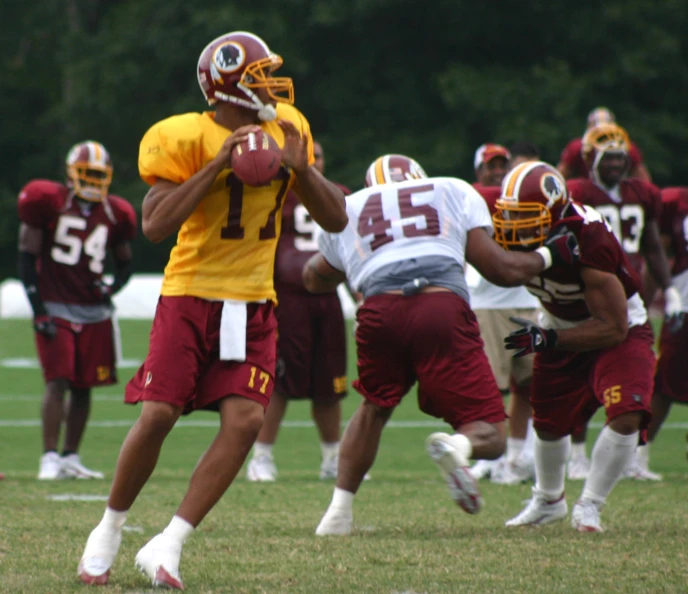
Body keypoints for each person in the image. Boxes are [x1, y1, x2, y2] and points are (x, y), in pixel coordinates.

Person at [77, 31, 347, 589]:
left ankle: (168, 543)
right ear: (228, 86)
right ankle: (108, 529)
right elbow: (154, 226)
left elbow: (337, 219)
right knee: (158, 414)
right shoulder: (185, 136)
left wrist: (304, 171)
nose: (271, 85)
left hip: (252, 300)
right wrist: (218, 163)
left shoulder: (288, 127)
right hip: (191, 292)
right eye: (257, 77)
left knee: (246, 420)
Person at [306, 154, 580, 536]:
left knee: (373, 408)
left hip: (379, 312)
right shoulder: (451, 189)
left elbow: (313, 277)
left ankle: (338, 513)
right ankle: (459, 449)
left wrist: (348, 266)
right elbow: (502, 270)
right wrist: (549, 255)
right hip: (439, 307)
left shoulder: (349, 208)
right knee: (490, 434)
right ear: (420, 176)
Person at [494, 161, 656, 532]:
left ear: (552, 212)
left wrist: (548, 339)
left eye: (525, 216)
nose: (513, 225)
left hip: (618, 330)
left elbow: (613, 328)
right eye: (510, 214)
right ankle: (548, 501)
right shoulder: (506, 228)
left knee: (627, 413)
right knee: (549, 424)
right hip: (557, 325)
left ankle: (591, 504)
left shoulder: (590, 240)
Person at [566, 123, 681, 480]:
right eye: (608, 158)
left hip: (629, 299)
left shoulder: (642, 193)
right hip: (589, 295)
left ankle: (631, 457)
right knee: (578, 376)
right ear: (590, 159)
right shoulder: (576, 191)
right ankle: (575, 456)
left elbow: (652, 247)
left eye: (620, 158)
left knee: (638, 376)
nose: (616, 165)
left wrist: (670, 289)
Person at [17, 141, 136, 481]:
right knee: (58, 381)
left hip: (94, 312)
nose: (94, 181)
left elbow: (125, 263)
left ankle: (70, 456)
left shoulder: (116, 212)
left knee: (84, 387)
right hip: (55, 305)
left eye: (100, 175)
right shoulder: (48, 201)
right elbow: (26, 257)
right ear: (71, 174)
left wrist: (111, 288)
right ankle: (49, 457)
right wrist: (38, 309)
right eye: (88, 174)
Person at [246, 140, 351, 481]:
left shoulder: (338, 193)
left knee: (330, 383)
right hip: (287, 298)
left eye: (317, 156)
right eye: (307, 156)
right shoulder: (277, 191)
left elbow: (349, 249)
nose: (313, 162)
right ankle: (261, 456)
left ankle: (332, 458)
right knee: (279, 379)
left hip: (327, 297)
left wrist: (361, 295)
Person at [467, 143, 539, 485]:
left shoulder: (521, 198)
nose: (497, 171)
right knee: (492, 388)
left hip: (526, 297)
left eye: (502, 165)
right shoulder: (472, 197)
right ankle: (489, 455)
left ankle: (515, 456)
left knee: (529, 383)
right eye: (490, 165)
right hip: (487, 302)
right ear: (479, 169)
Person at [640, 187, 688, 478]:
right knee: (663, 384)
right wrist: (641, 306)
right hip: (684, 304)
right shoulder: (676, 203)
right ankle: (637, 454)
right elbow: (656, 254)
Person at [557, 107, 651, 181]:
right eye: (597, 133)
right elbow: (559, 178)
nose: (602, 138)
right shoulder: (577, 148)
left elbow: (644, 181)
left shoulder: (627, 148)